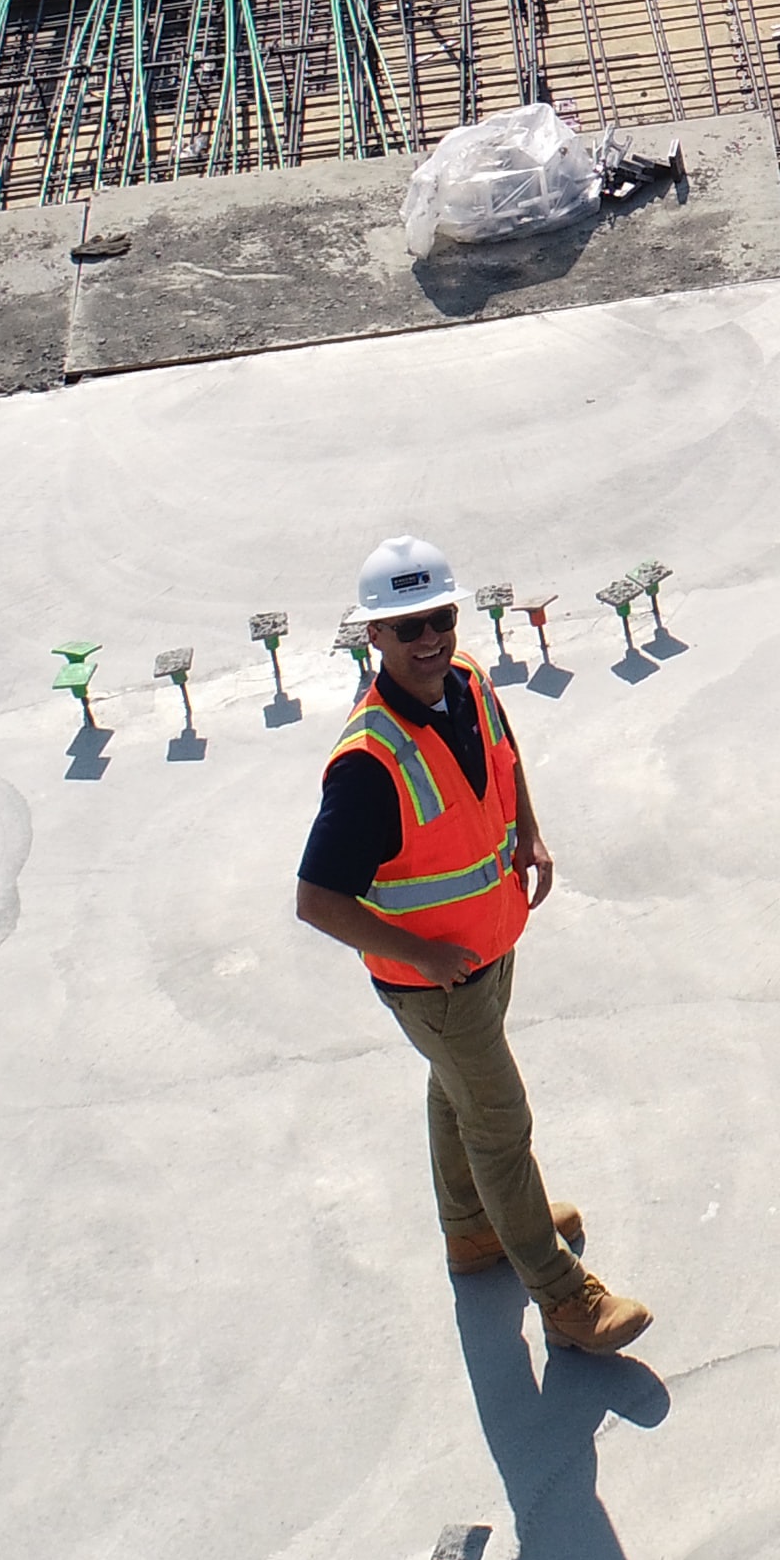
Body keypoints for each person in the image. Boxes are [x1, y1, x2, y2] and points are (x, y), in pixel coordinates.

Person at [291, 536, 652, 1358]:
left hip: (488, 948)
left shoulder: (470, 685)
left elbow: (503, 753)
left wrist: (529, 831)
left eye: (442, 619)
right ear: (373, 637)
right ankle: (563, 1300)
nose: (430, 640)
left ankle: (473, 1231)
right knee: (500, 1122)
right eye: (408, 626)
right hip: (437, 982)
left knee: (457, 1093)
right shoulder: (368, 763)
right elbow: (317, 901)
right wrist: (422, 959)